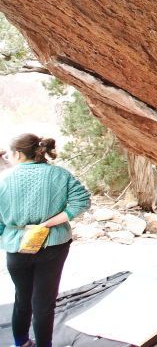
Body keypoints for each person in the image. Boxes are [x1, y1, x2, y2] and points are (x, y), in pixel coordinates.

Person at [0, 134, 91, 347]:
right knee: (44, 302)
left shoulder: (4, 179)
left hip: (17, 246)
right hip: (54, 246)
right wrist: (48, 223)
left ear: (18, 154)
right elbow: (82, 201)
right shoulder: (60, 174)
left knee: (22, 297)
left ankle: (21, 342)